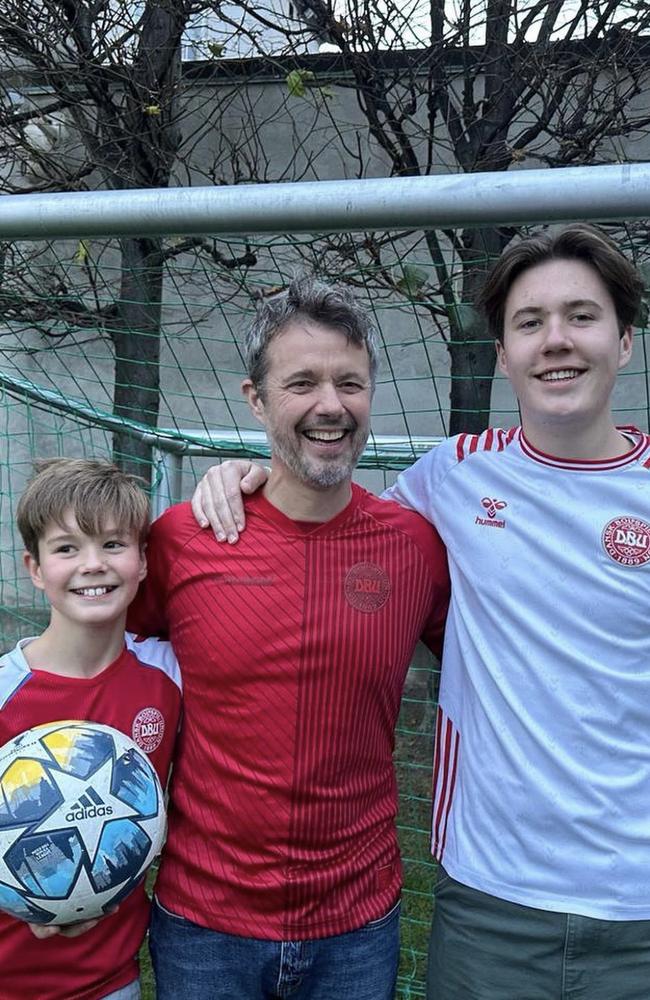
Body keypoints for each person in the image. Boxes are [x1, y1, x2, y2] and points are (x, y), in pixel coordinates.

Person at [193, 224, 650, 1000]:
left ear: (625, 341)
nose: (557, 341)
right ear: (504, 354)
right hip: (490, 898)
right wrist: (246, 473)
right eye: (530, 323)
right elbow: (327, 513)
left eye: (582, 316)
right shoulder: (451, 479)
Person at [127, 276, 450, 1000]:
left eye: (350, 382)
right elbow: (100, 658)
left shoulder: (416, 546)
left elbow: (491, 662)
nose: (330, 405)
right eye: (301, 382)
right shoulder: (186, 538)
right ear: (256, 399)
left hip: (358, 924)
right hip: (205, 923)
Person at [0, 458, 182, 1000]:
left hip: (108, 981)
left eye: (112, 544)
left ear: (144, 562)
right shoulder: (6, 690)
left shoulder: (171, 675)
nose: (92, 565)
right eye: (66, 548)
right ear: (34, 567)